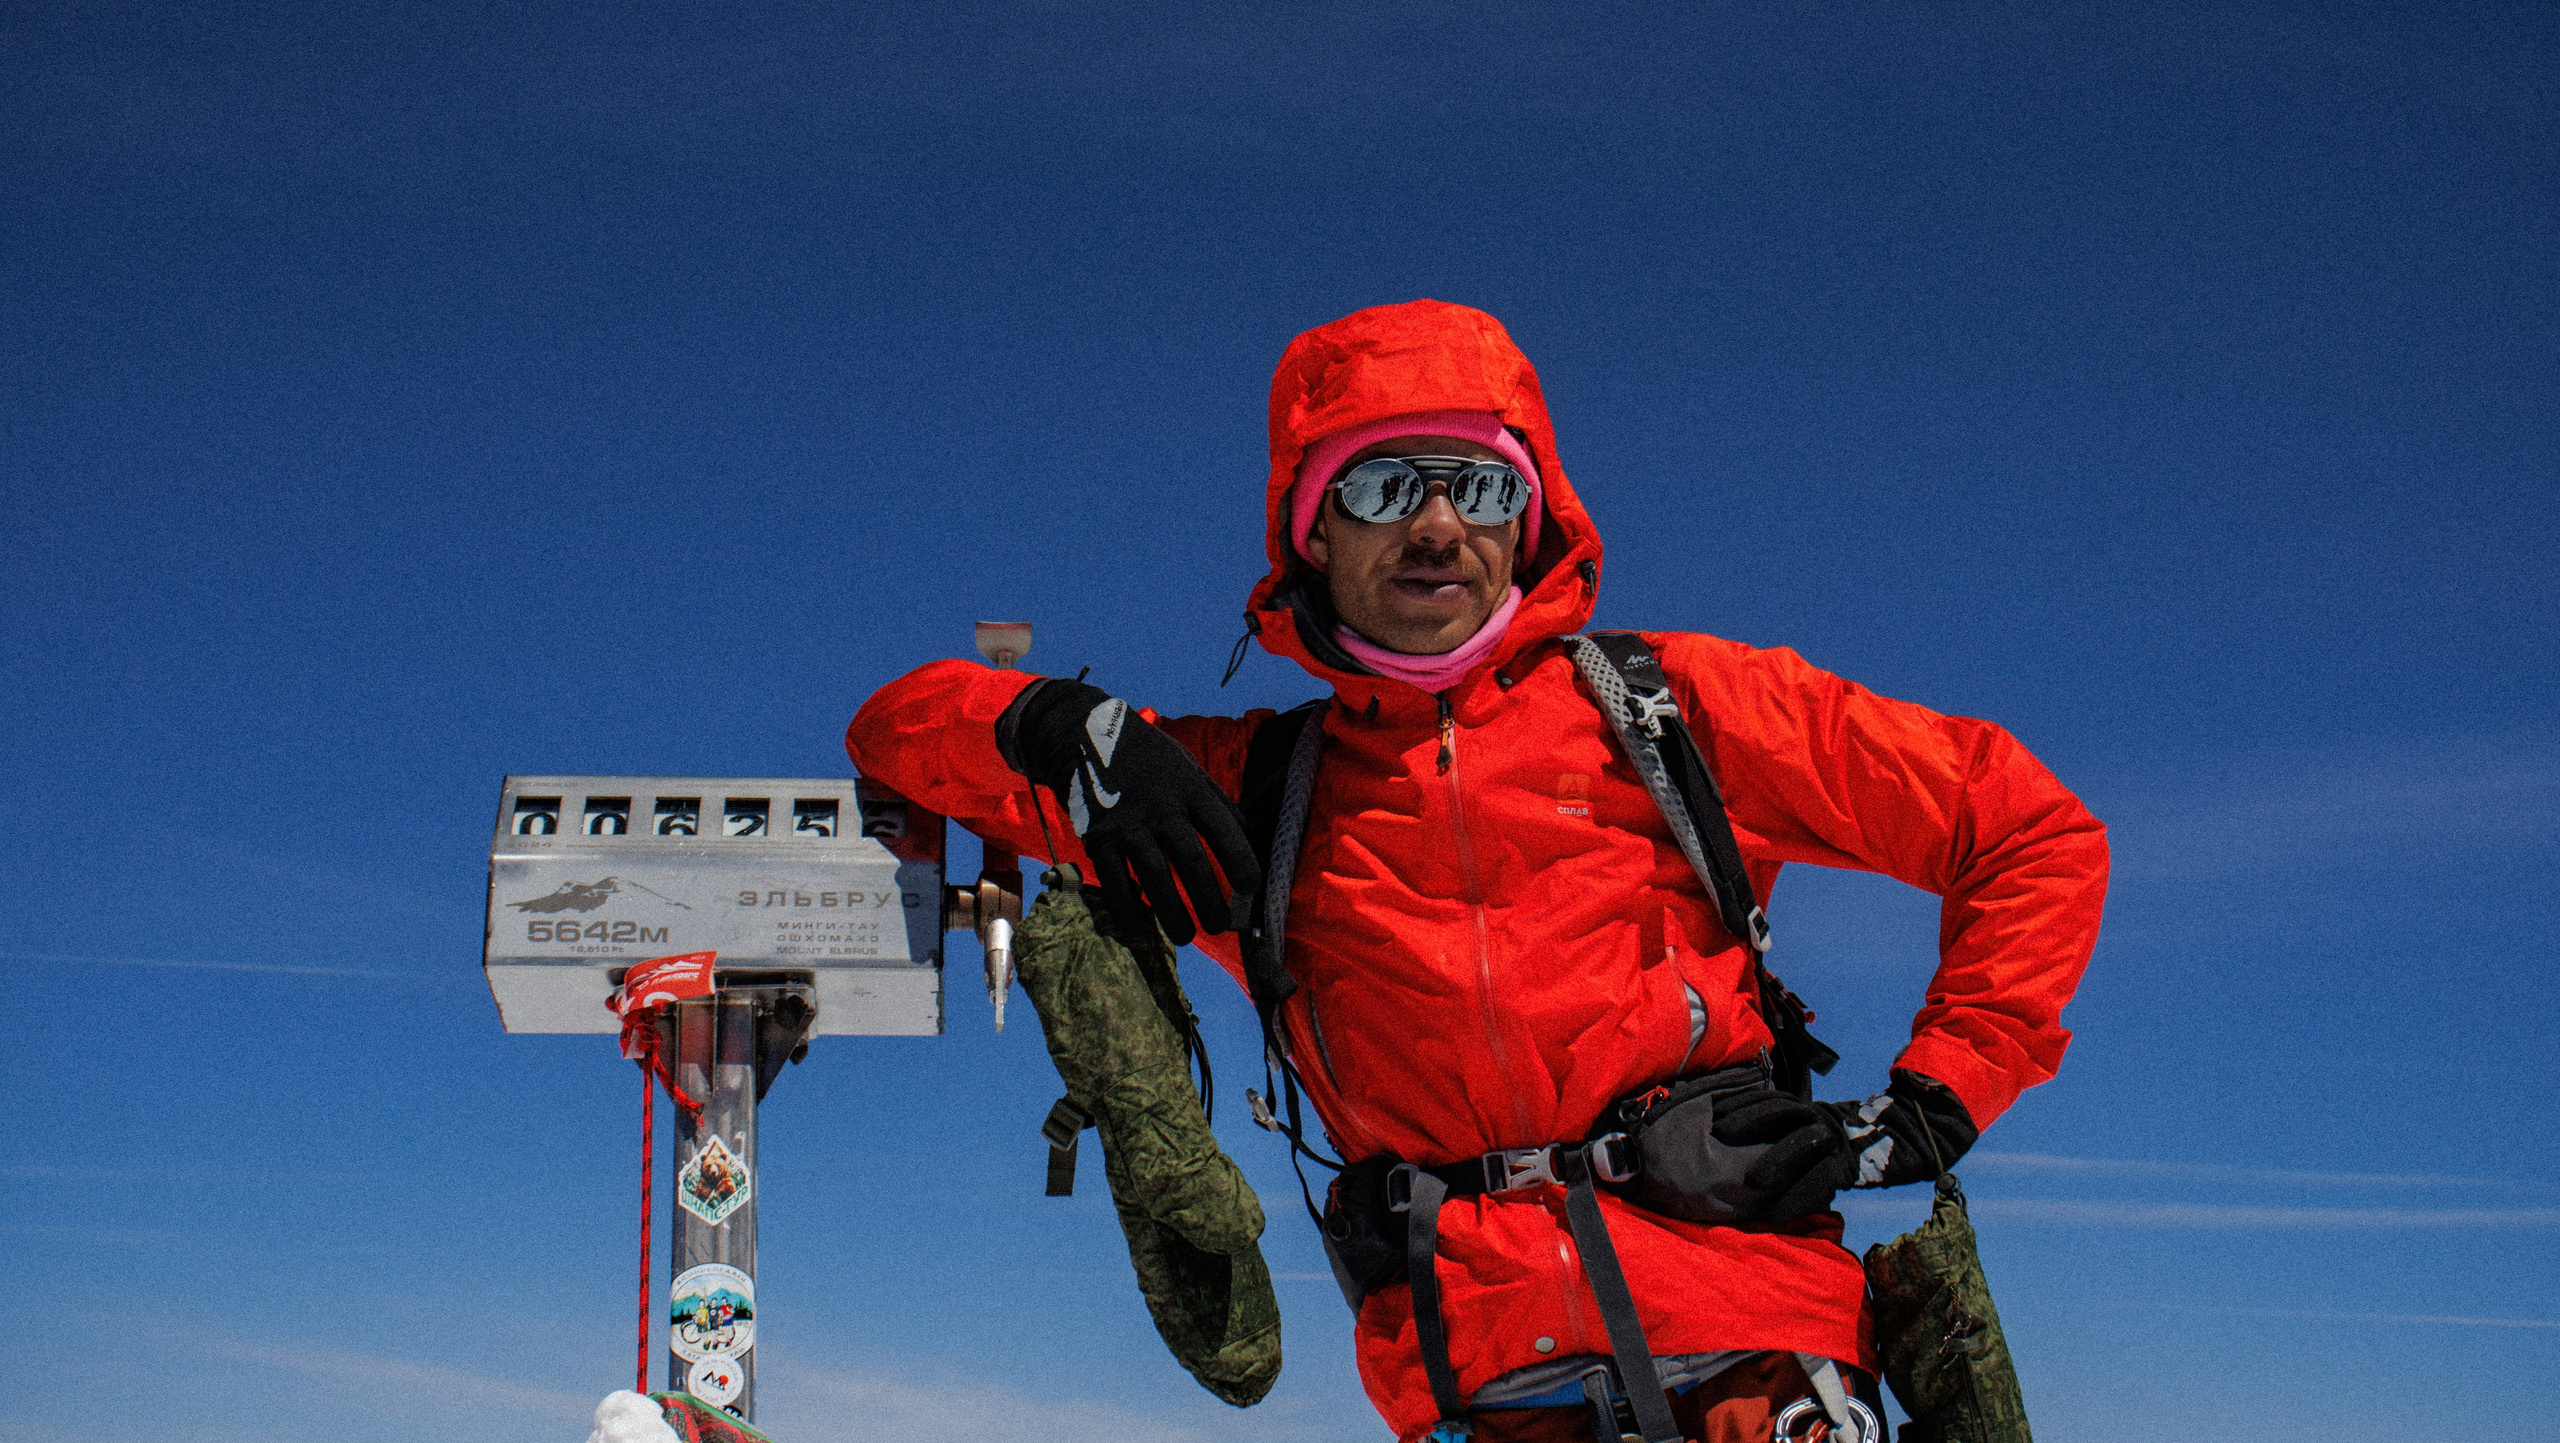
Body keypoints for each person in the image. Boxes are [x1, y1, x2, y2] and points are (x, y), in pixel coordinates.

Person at [845, 299, 2108, 1443]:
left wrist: (1938, 1095)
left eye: (1480, 488)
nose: (1441, 525)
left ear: (1532, 513)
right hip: (1481, 1385)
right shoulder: (1244, 795)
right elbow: (895, 728)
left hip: (1757, 1360)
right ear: (1312, 530)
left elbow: (2026, 830)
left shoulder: (1678, 713)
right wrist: (1054, 724)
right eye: (1386, 488)